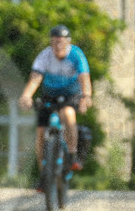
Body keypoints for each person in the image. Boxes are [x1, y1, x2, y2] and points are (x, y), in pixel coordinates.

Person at [17, 25, 92, 175]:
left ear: (68, 42)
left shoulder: (76, 55)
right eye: (54, 42)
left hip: (70, 96)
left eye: (61, 42)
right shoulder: (45, 56)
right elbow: (35, 78)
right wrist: (26, 96)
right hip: (49, 95)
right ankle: (44, 174)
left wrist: (86, 96)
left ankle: (71, 154)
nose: (58, 46)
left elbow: (84, 78)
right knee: (41, 133)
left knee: (67, 114)